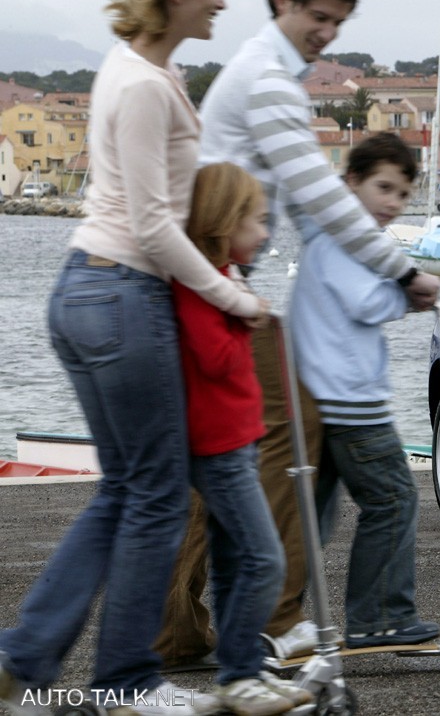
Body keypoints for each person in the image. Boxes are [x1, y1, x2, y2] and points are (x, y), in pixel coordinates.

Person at [0, 0, 268, 716]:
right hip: (125, 295)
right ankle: (125, 682)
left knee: (127, 488)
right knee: (156, 494)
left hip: (84, 292)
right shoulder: (148, 85)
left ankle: (25, 659)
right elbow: (153, 226)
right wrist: (232, 296)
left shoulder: (136, 68)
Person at [157, 0, 440, 667]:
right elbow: (322, 196)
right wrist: (403, 272)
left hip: (219, 279)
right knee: (290, 435)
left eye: (338, 23)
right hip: (215, 279)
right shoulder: (268, 82)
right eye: (319, 17)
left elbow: (307, 203)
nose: (327, 34)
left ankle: (181, 627)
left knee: (222, 461)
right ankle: (275, 619)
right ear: (282, 0)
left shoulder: (264, 74)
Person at [173, 163, 312, 715]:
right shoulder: (208, 288)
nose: (266, 232)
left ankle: (241, 672)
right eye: (256, 221)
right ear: (223, 224)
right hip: (219, 447)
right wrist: (246, 314)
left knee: (239, 560)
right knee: (261, 559)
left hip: (234, 441)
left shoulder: (220, 278)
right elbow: (215, 358)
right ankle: (240, 670)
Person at [292, 132, 438, 646]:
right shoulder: (341, 239)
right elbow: (365, 303)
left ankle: (276, 620)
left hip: (323, 396)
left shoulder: (327, 237)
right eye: (383, 187)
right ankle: (379, 616)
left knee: (313, 516)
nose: (392, 203)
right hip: (350, 401)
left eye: (402, 194)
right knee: (393, 499)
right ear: (351, 181)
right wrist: (410, 295)